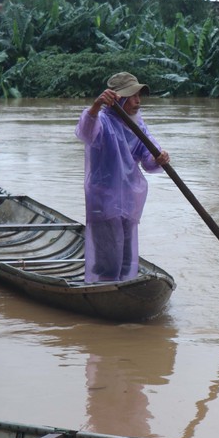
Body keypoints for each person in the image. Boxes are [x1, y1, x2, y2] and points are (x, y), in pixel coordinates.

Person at [75, 72, 170, 283]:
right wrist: (96, 105)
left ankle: (124, 286)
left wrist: (160, 157)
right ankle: (104, 287)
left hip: (128, 198)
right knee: (108, 260)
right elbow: (85, 131)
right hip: (103, 199)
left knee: (126, 257)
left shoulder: (138, 125)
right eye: (132, 96)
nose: (137, 101)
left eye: (138, 96)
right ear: (118, 99)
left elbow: (148, 158)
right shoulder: (102, 121)